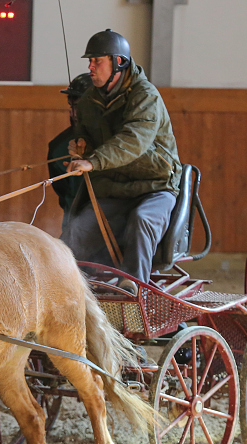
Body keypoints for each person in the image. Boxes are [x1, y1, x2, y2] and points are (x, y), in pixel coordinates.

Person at [62, 29, 181, 293]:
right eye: (89, 62)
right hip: (115, 191)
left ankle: (133, 287)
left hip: (155, 187)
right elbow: (83, 131)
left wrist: (93, 162)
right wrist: (80, 145)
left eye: (97, 61)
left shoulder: (146, 96)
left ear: (119, 63)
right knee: (76, 231)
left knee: (142, 219)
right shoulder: (89, 101)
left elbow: (133, 140)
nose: (90, 68)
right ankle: (65, 289)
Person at [47, 72, 92, 229]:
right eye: (72, 106)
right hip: (76, 224)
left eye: (80, 107)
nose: (74, 113)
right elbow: (64, 195)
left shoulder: (118, 140)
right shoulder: (58, 149)